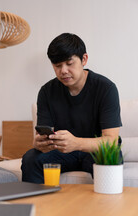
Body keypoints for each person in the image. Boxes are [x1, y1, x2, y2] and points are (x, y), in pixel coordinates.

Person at [21, 33, 122, 183]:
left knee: (110, 157)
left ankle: (108, 206)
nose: (63, 71)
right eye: (57, 66)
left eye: (69, 63)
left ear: (84, 59)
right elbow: (44, 135)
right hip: (62, 153)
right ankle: (37, 206)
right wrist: (39, 144)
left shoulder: (106, 88)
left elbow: (111, 140)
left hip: (94, 152)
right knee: (31, 158)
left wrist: (77, 143)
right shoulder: (46, 91)